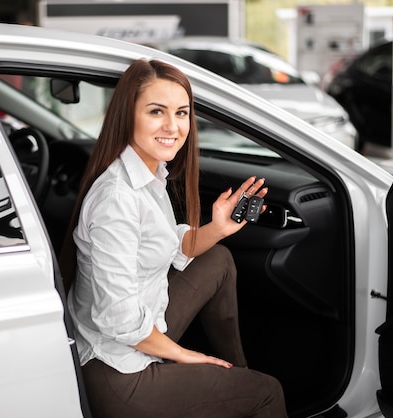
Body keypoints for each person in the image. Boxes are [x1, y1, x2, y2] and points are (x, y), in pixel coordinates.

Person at [61, 58, 287, 418]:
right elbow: (118, 318)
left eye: (181, 113)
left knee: (218, 260)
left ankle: (236, 376)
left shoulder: (149, 175)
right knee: (267, 393)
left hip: (141, 327)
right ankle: (243, 389)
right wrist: (186, 357)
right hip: (118, 374)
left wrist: (218, 228)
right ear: (127, 115)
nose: (173, 126)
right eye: (156, 112)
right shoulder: (116, 199)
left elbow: (167, 246)